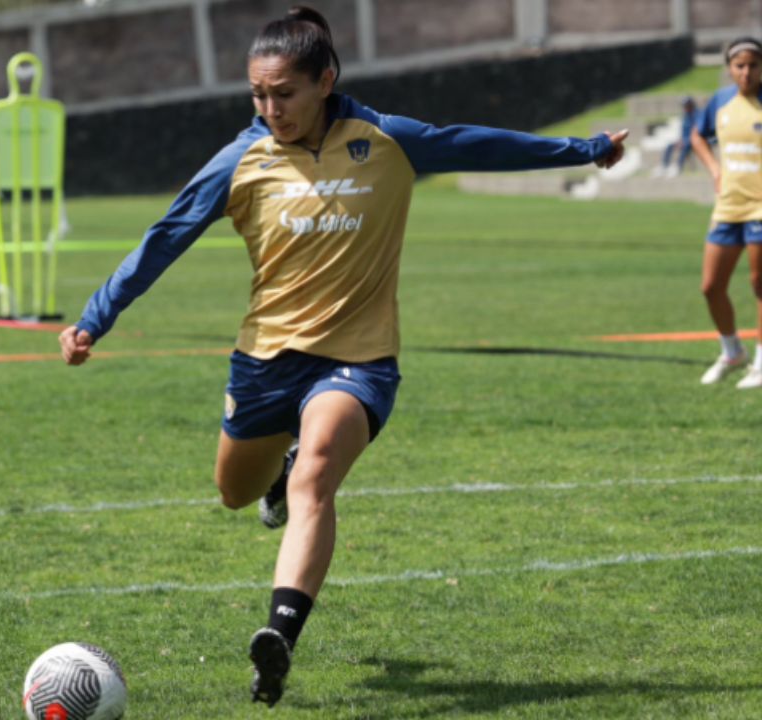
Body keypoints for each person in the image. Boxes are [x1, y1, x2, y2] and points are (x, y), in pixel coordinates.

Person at [58, 5, 626, 707]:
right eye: (258, 95)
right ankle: (274, 475)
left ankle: (280, 636)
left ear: (326, 79)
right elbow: (164, 238)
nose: (271, 108)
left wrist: (587, 148)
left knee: (317, 475)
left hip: (358, 360)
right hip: (266, 360)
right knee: (236, 493)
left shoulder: (387, 140)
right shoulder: (242, 159)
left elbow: (480, 144)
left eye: (284, 93)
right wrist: (94, 319)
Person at [690, 38, 762, 390]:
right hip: (729, 205)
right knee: (711, 286)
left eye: (753, 65)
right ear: (729, 67)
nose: (746, 72)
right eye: (740, 65)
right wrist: (715, 170)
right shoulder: (720, 102)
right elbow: (697, 136)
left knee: (759, 284)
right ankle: (732, 352)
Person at [657, 96, 697, 178]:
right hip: (684, 139)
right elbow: (683, 131)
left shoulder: (697, 115)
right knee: (670, 145)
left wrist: (686, 140)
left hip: (692, 140)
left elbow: (696, 131)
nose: (685, 108)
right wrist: (681, 140)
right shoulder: (685, 116)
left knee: (686, 145)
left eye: (686, 105)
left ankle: (678, 166)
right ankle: (664, 166)